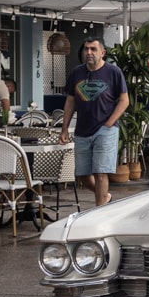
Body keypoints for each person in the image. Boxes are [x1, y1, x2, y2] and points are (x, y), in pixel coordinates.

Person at [59, 38, 129, 207]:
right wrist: (64, 128)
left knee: (100, 173)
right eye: (86, 49)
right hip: (82, 130)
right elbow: (70, 101)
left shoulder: (113, 72)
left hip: (106, 130)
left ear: (102, 52)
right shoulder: (77, 72)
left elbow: (124, 100)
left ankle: (100, 211)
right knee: (82, 175)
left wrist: (109, 123)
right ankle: (105, 197)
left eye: (93, 49)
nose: (89, 53)